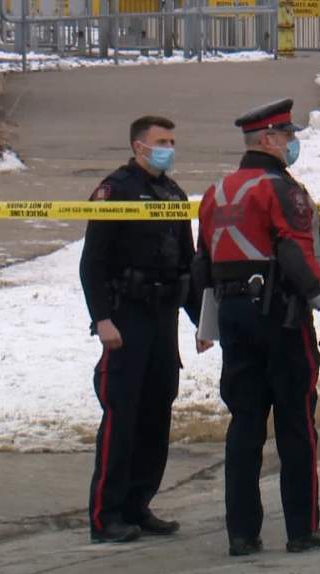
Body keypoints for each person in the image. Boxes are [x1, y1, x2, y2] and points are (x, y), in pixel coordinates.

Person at [195, 99, 320, 557]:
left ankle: (242, 533)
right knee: (296, 421)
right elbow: (296, 252)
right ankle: (302, 529)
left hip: (233, 315)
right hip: (280, 314)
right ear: (268, 141)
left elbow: (203, 262)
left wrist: (205, 323)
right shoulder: (283, 189)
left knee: (244, 422)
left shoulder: (216, 192)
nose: (292, 143)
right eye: (287, 136)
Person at [79, 115, 209, 544]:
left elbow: (185, 263)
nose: (168, 147)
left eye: (172, 140)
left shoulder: (171, 192)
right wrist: (102, 319)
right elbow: (92, 263)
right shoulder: (115, 190)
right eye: (160, 141)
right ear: (138, 147)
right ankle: (106, 514)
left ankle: (139, 504)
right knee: (122, 413)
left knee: (157, 411)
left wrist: (201, 321)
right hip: (126, 315)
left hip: (163, 316)